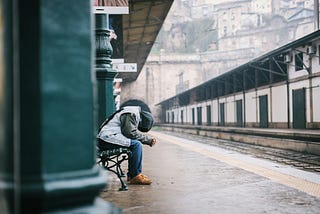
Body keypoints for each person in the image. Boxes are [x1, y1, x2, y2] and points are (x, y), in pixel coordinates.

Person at [97, 102, 157, 185]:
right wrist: (148, 140)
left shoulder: (131, 111)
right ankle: (135, 176)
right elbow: (129, 132)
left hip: (107, 138)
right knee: (136, 145)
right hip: (106, 139)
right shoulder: (131, 114)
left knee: (134, 144)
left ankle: (132, 174)